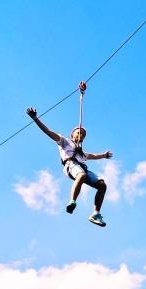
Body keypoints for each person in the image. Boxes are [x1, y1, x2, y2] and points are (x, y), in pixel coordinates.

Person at [26, 95, 113, 227]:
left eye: (83, 135)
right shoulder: (64, 141)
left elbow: (93, 156)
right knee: (82, 175)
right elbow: (48, 131)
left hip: (82, 167)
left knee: (102, 185)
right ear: (72, 134)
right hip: (70, 165)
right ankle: (72, 201)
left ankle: (95, 213)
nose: (81, 135)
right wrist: (35, 118)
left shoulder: (82, 153)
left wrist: (104, 155)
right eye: (79, 133)